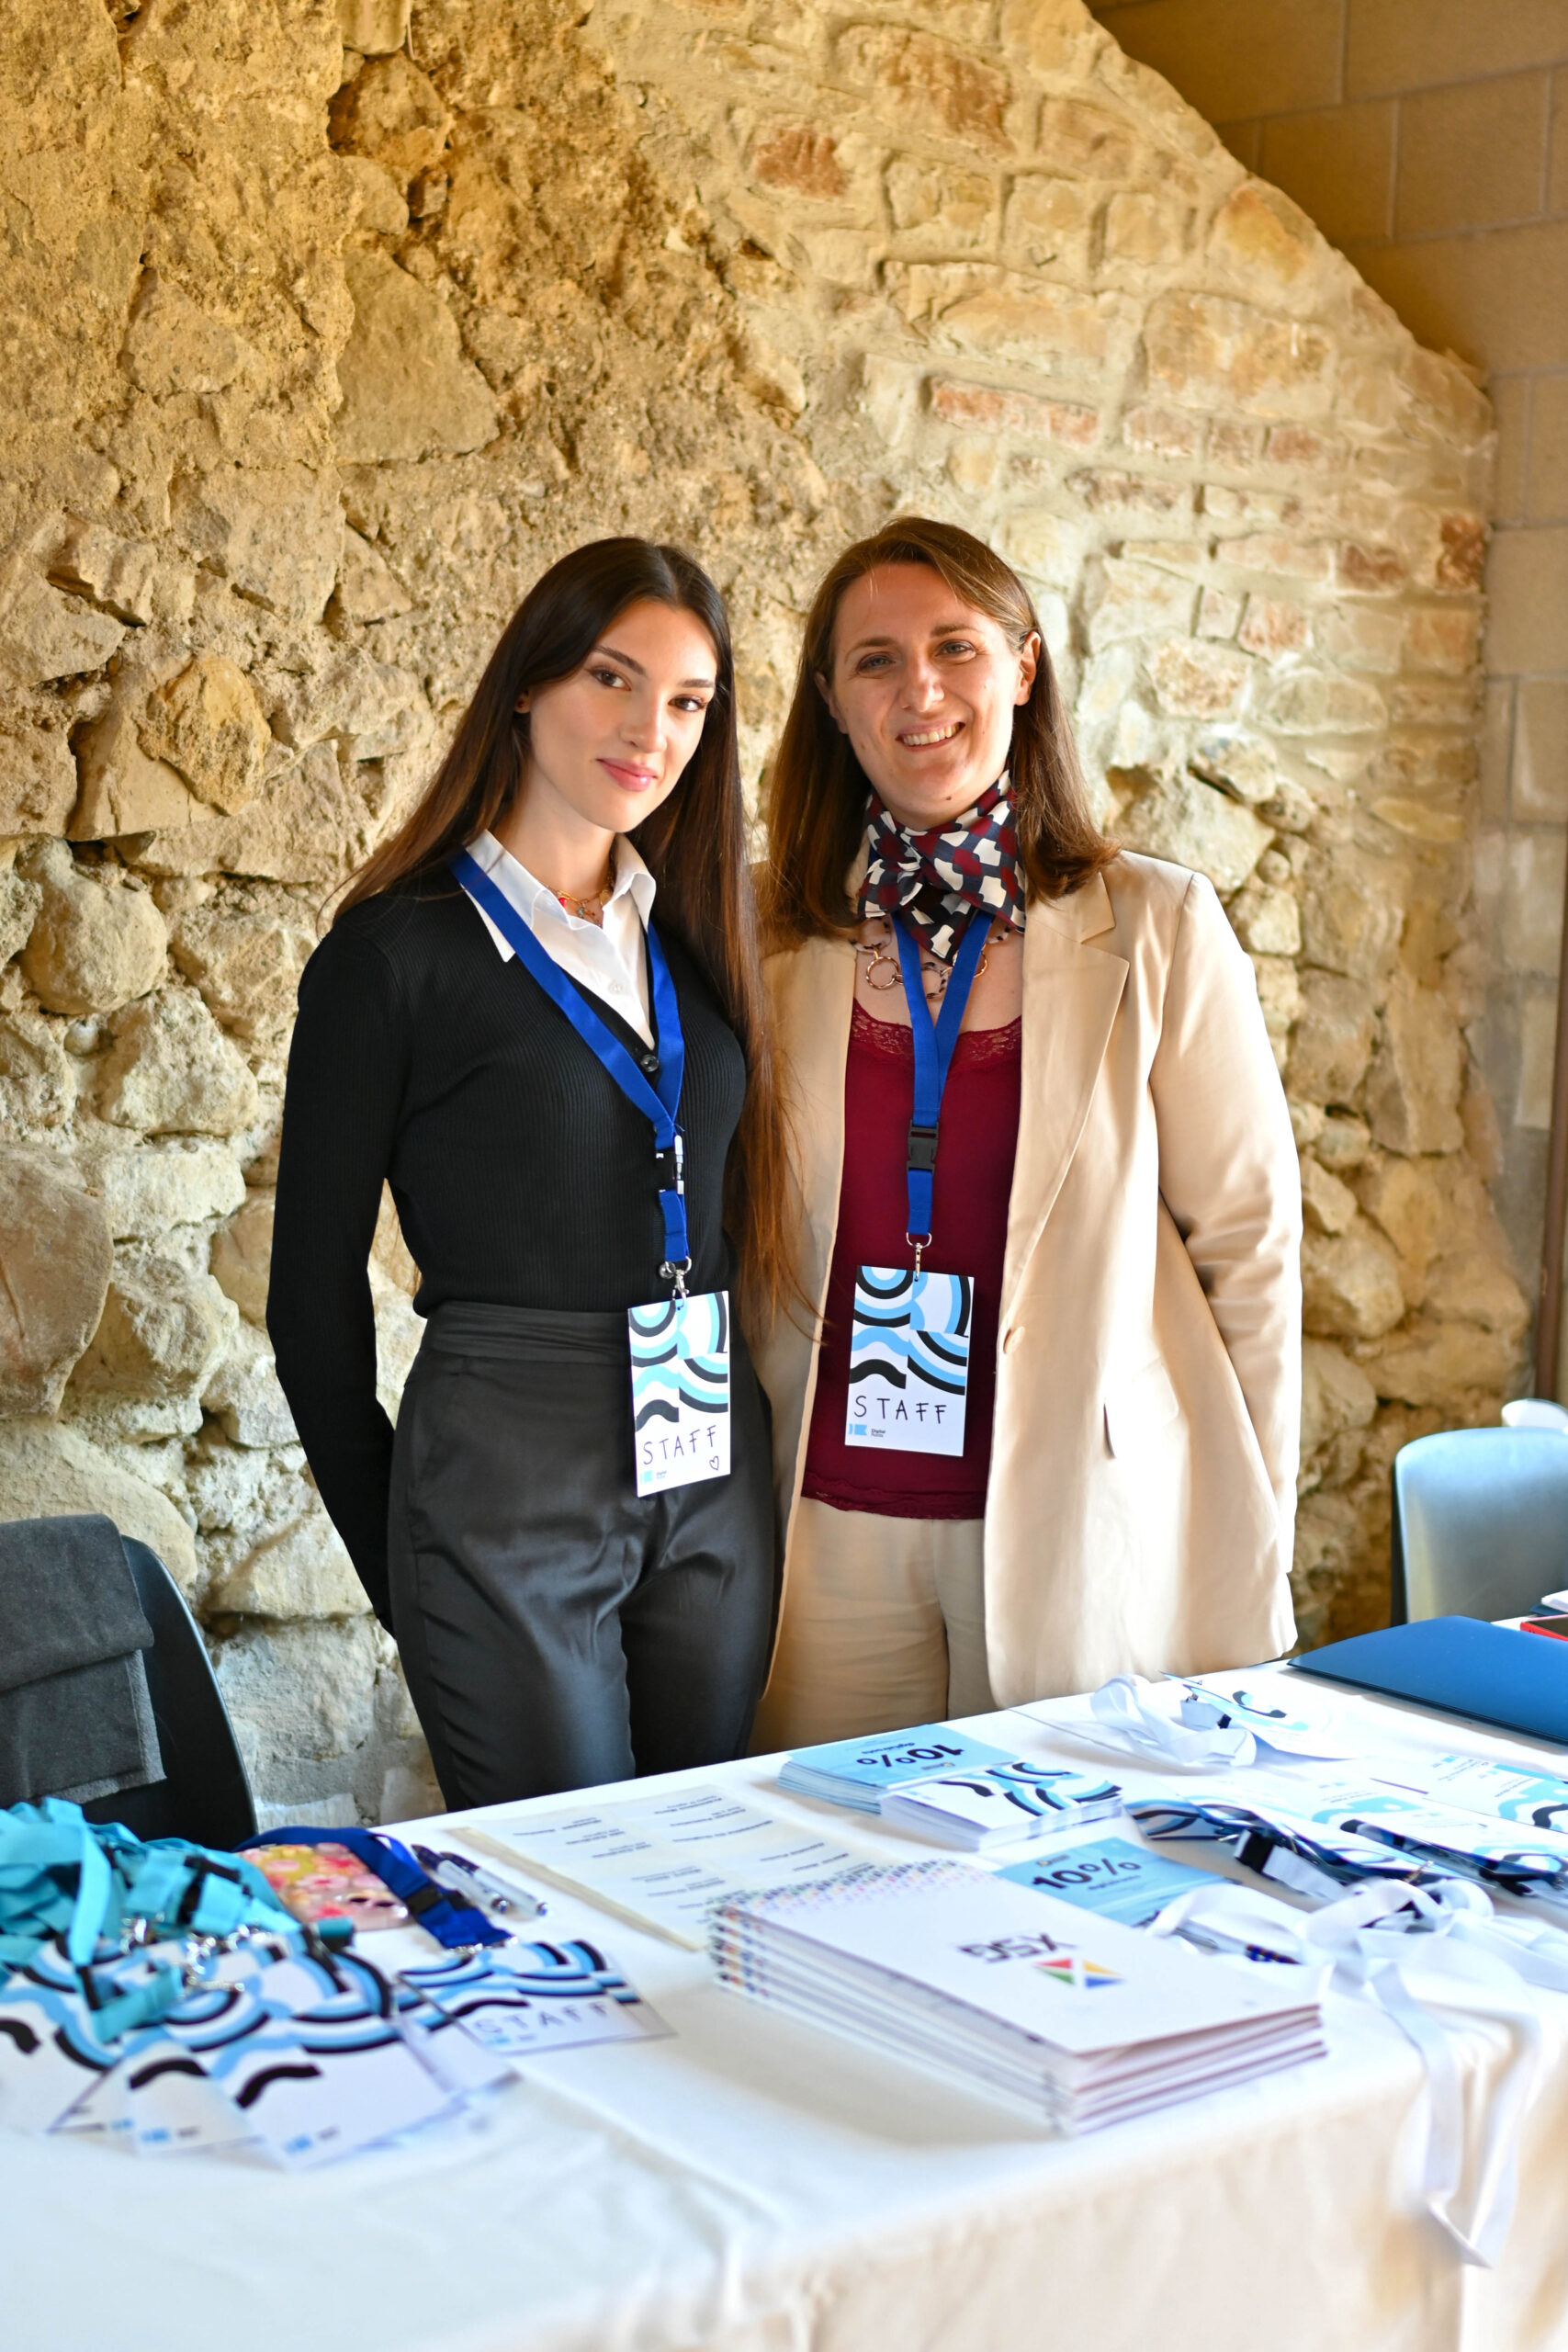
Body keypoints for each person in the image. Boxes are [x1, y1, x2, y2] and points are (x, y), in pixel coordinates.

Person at [752, 515, 1301, 1748]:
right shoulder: (761, 931)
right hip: (827, 1527)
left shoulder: (1158, 923)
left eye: (956, 647)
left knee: (1060, 1855)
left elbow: (1249, 1245)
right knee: (823, 1847)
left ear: (1023, 667)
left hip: (1080, 1517)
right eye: (877, 660)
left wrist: (1251, 1521)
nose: (921, 691)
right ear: (832, 702)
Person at [268, 538, 790, 1807]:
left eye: (688, 702)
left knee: (699, 1844)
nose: (650, 732)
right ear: (525, 685)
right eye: (612, 679)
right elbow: (309, 1301)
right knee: (567, 1862)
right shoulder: (392, 959)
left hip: (707, 1449)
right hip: (507, 1462)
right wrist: (405, 1560)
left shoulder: (698, 936)